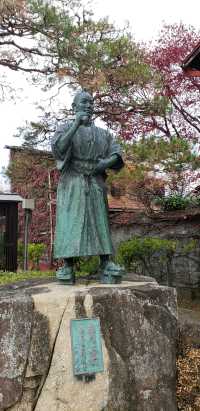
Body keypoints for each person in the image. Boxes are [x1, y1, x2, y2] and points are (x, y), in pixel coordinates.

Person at [52, 89, 124, 284]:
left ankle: (106, 263)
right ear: (74, 107)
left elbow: (117, 153)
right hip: (72, 181)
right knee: (69, 223)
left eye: (91, 103)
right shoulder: (64, 129)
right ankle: (67, 265)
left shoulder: (103, 133)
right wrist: (76, 124)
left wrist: (105, 164)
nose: (88, 106)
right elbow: (58, 149)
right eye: (84, 102)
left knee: (100, 222)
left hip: (95, 180)